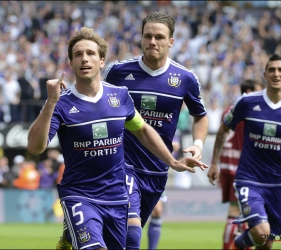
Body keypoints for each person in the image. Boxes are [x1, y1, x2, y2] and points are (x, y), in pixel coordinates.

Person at [27, 26, 206, 250]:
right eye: (78, 55)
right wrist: (50, 103)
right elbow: (35, 147)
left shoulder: (119, 96)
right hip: (79, 195)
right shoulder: (62, 103)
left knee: (131, 242)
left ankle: (71, 238)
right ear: (71, 63)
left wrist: (172, 161)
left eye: (91, 54)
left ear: (102, 61)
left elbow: (142, 130)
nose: (84, 59)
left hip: (116, 197)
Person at [104, 12, 208, 249]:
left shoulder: (185, 78)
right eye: (148, 36)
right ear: (141, 38)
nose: (153, 41)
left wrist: (198, 145)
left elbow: (200, 116)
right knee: (131, 235)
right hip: (122, 164)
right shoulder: (118, 72)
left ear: (171, 41)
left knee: (122, 237)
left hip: (157, 170)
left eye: (159, 37)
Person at [207, 54, 281, 250]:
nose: (276, 74)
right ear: (265, 74)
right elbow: (224, 129)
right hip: (249, 179)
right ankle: (240, 242)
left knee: (266, 243)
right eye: (272, 70)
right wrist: (214, 162)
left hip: (277, 183)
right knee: (262, 232)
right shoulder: (248, 102)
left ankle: (244, 240)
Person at [207, 79, 264, 250]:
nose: (260, 96)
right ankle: (231, 246)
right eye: (257, 91)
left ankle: (238, 245)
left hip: (227, 165)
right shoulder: (250, 110)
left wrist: (215, 162)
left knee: (239, 211)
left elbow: (223, 134)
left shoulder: (228, 110)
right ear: (248, 91)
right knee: (238, 212)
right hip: (241, 168)